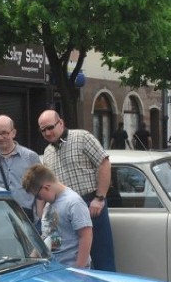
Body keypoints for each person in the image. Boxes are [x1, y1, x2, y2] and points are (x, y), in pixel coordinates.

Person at [38, 109, 116, 271]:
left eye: (50, 127)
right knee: (68, 258)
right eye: (43, 130)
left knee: (102, 257)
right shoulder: (48, 152)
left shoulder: (82, 137)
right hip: (64, 212)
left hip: (91, 204)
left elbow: (104, 163)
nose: (47, 132)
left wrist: (99, 198)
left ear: (61, 123)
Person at [21, 164, 92, 268]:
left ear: (46, 187)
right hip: (55, 268)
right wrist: (31, 259)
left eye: (38, 196)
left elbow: (86, 236)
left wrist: (79, 269)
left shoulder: (73, 202)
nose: (39, 199)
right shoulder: (49, 205)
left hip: (73, 269)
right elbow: (49, 234)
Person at [0, 115, 41, 221]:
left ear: (13, 133)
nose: (0, 137)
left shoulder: (30, 157)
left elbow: (40, 190)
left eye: (4, 133)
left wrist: (39, 218)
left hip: (27, 223)